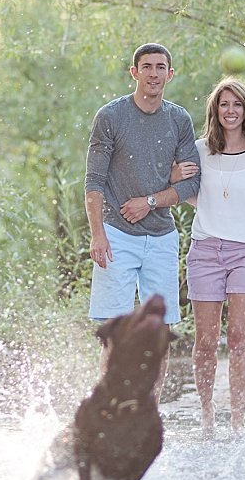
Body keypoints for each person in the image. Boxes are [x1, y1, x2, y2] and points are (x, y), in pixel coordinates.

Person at [84, 43, 201, 402]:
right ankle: (109, 408)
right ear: (134, 72)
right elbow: (94, 181)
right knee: (115, 333)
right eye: (146, 67)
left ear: (170, 74)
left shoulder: (179, 119)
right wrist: (97, 235)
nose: (153, 73)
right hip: (116, 235)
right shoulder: (111, 116)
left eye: (160, 67)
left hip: (162, 237)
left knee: (159, 335)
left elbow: (192, 183)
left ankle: (149, 410)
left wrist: (150, 201)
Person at [171, 78, 245, 436]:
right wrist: (178, 179)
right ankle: (207, 417)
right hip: (205, 251)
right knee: (205, 342)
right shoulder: (199, 150)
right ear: (215, 110)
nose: (230, 110)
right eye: (224, 104)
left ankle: (237, 423)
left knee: (239, 339)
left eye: (237, 104)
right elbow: (184, 190)